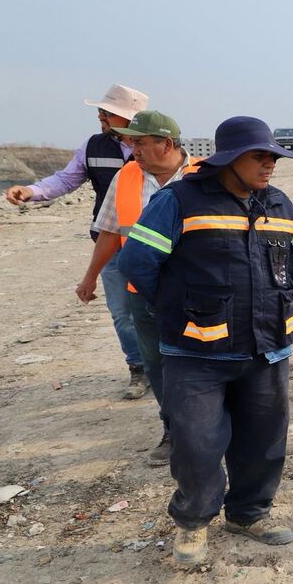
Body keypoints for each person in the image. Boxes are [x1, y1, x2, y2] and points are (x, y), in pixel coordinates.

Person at [118, 116, 293, 566]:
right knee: (197, 443)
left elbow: (286, 271)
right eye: (259, 156)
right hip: (197, 352)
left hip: (266, 346)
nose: (269, 165)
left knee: (264, 441)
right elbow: (137, 264)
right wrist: (177, 307)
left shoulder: (279, 204)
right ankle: (194, 523)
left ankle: (248, 514)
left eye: (273, 157)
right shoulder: (178, 201)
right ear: (230, 159)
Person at [5, 84, 150, 399]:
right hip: (111, 245)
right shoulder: (93, 147)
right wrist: (31, 191)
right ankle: (139, 369)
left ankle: (169, 368)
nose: (100, 116)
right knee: (123, 314)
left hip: (159, 249)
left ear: (127, 116)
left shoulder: (156, 146)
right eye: (100, 111)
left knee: (162, 310)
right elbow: (65, 179)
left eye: (107, 112)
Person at [75, 111, 198, 466]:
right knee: (157, 364)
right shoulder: (126, 177)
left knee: (203, 362)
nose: (133, 149)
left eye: (140, 142)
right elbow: (111, 232)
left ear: (167, 144)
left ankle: (210, 427)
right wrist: (90, 276)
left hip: (197, 292)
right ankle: (173, 430)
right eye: (131, 142)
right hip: (143, 292)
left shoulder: (206, 176)